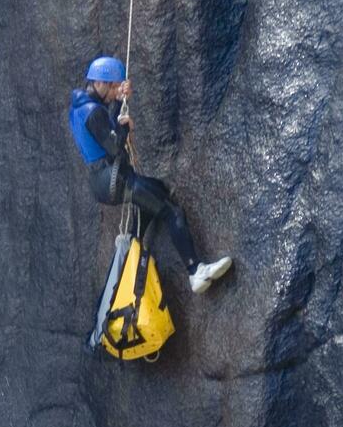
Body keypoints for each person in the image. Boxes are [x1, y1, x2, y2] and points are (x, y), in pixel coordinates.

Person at [68, 55, 233, 293]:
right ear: (100, 84)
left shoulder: (80, 107)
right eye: (114, 86)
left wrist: (119, 104)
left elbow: (102, 129)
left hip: (103, 180)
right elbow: (114, 146)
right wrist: (125, 126)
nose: (117, 90)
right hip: (115, 179)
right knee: (170, 210)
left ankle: (134, 243)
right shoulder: (94, 112)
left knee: (158, 190)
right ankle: (195, 271)